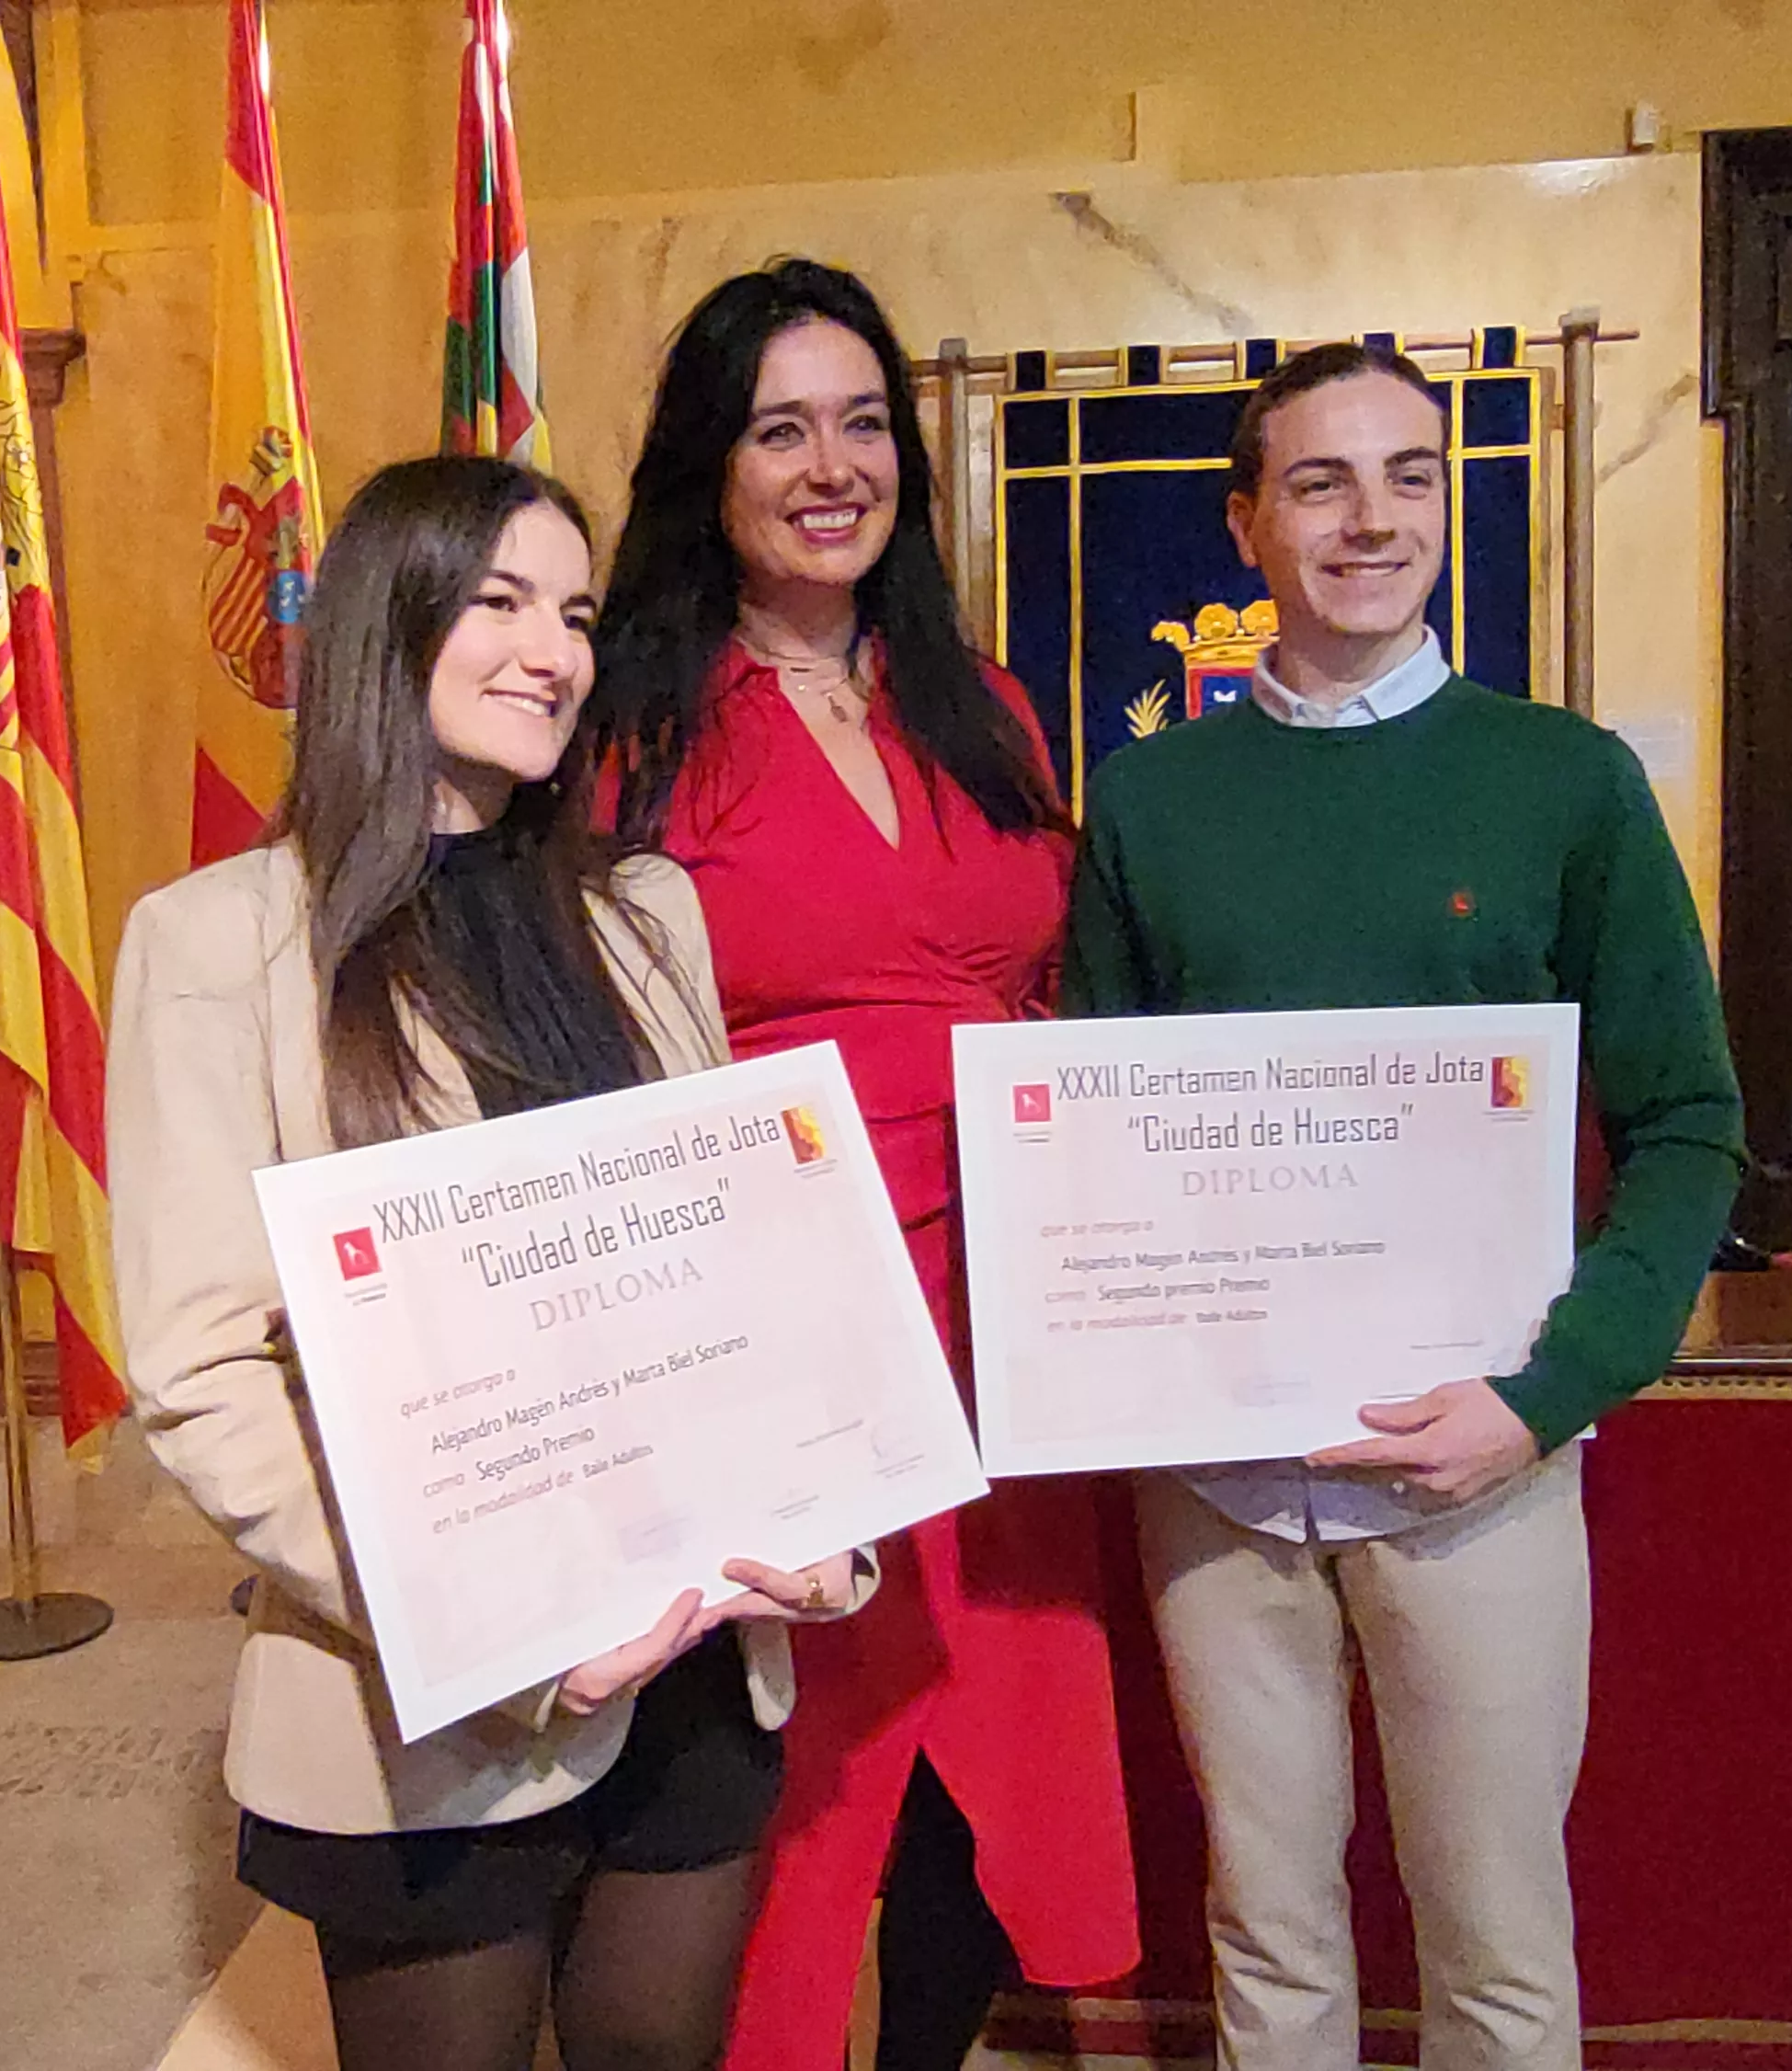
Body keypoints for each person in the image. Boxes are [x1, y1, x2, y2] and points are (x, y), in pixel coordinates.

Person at [108, 454, 871, 2071]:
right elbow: (195, 1373)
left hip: (689, 1660)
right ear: (392, 622)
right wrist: (485, 1620)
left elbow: (735, 1273)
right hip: (427, 1703)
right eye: (502, 600)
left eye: (578, 613)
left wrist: (822, 1507)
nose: (556, 650)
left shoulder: (647, 911)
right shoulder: (219, 943)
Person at [1062, 343, 1747, 2071]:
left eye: (1411, 476)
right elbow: (1102, 1129)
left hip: (1483, 1465)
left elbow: (1690, 1127)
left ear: (1450, 502)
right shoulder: (1149, 797)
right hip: (1223, 1480)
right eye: (1321, 481)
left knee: (1500, 1945)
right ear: (1246, 525)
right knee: (1268, 1936)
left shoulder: (1565, 781)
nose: (1374, 518)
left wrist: (1546, 1399)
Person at [585, 259, 1145, 2071]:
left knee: (1002, 1769)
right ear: (708, 467)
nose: (829, 465)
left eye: (859, 423)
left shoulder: (981, 703)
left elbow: (1062, 988)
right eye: (776, 428)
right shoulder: (628, 730)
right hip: (788, 1320)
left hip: (1010, 1315)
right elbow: (592, 1058)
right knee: (800, 1766)